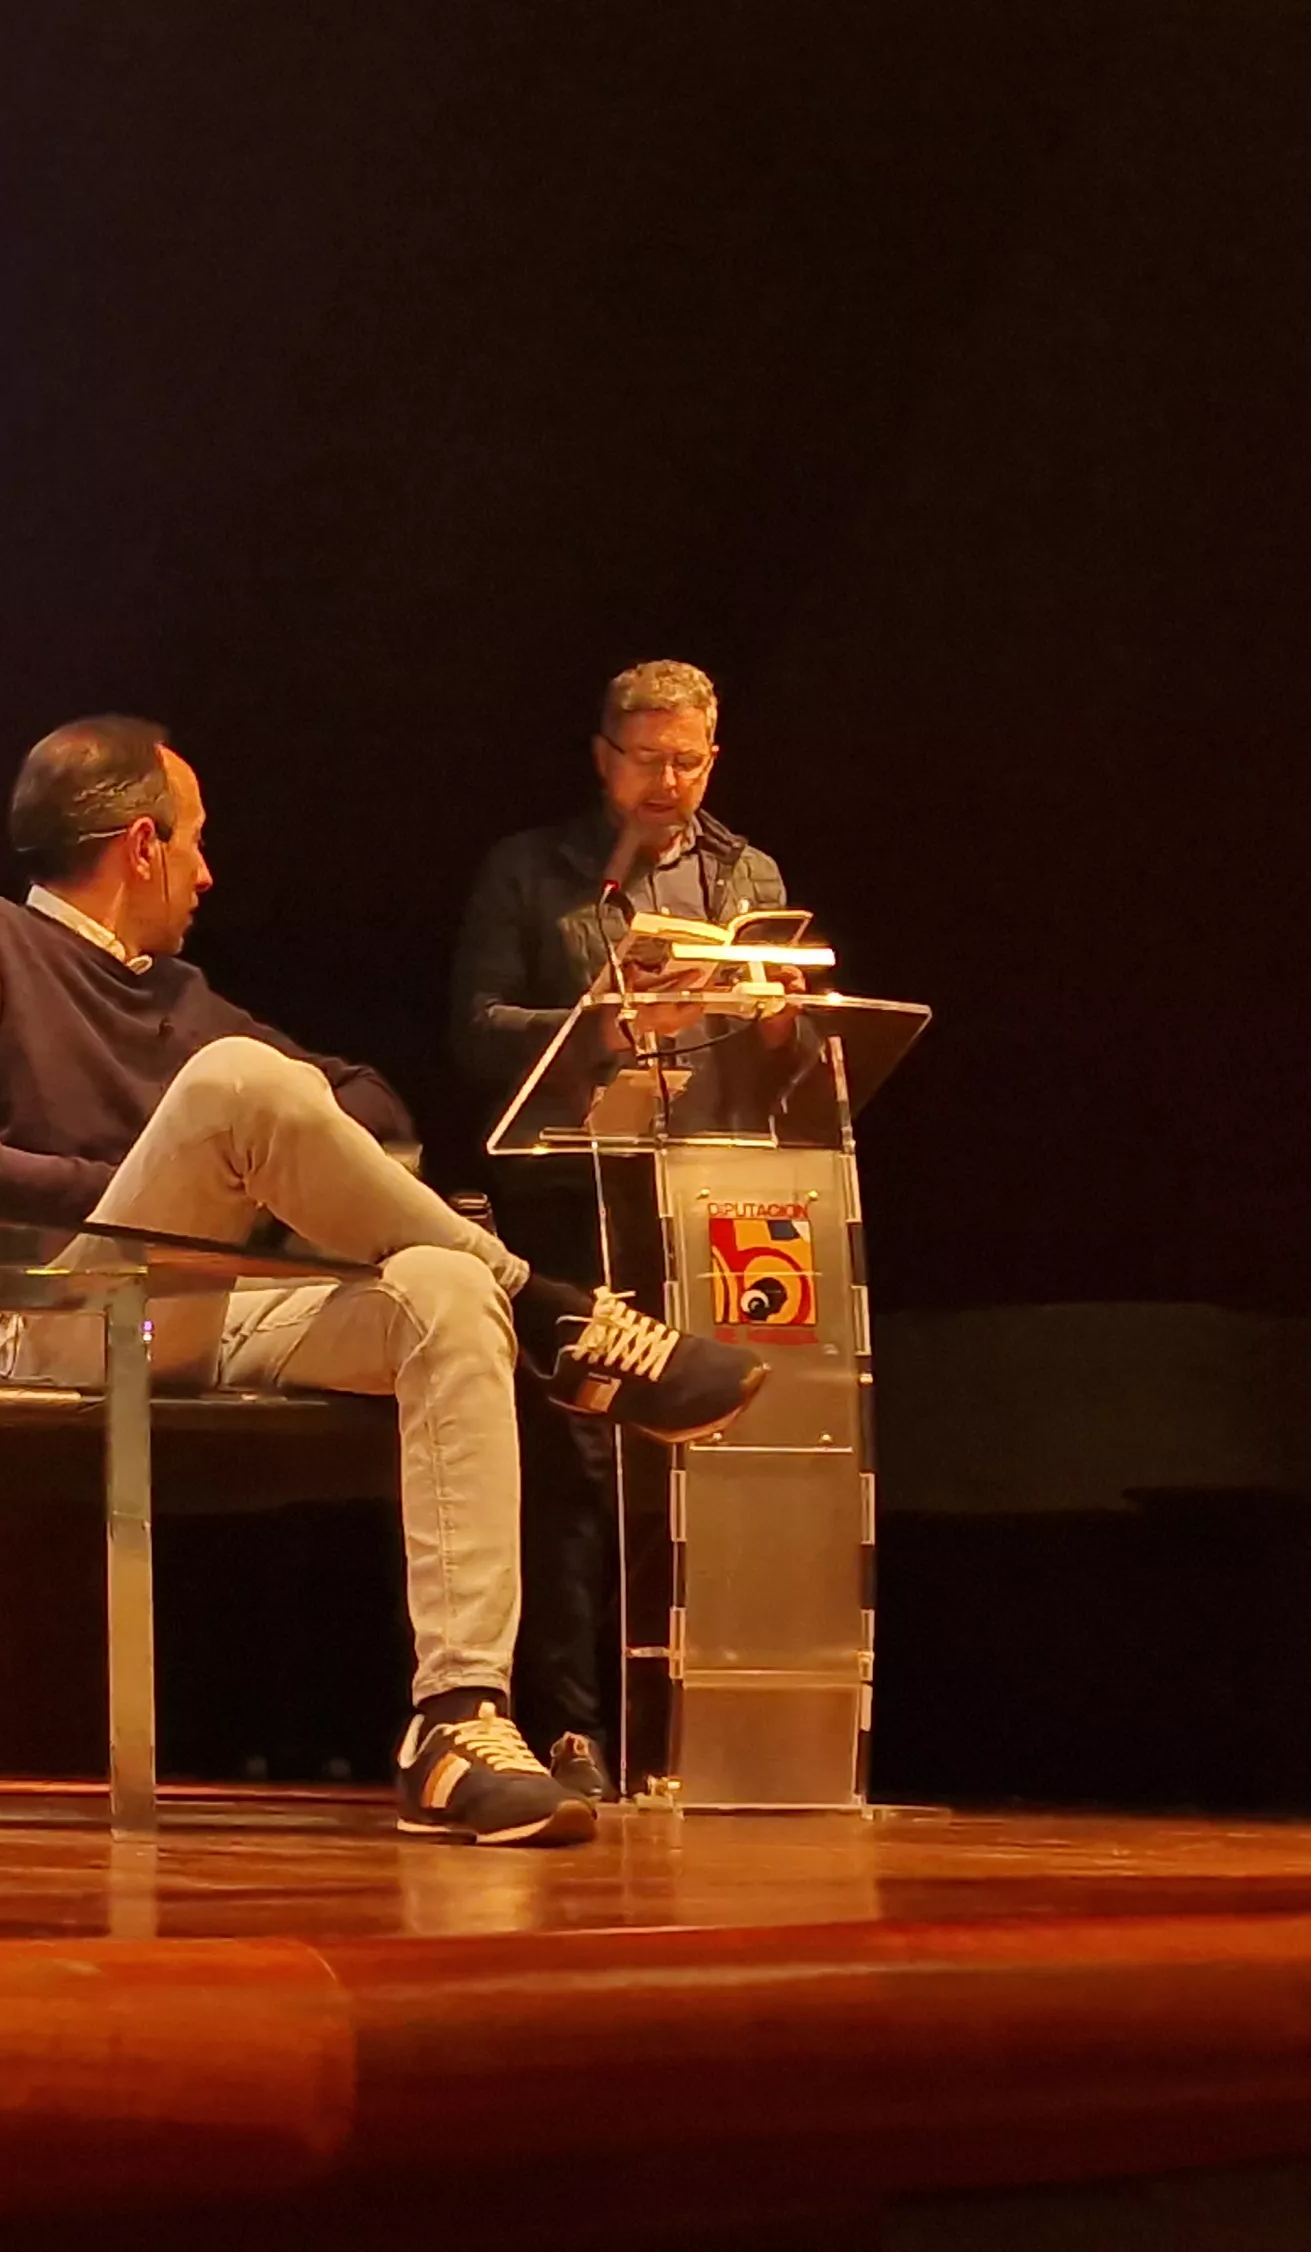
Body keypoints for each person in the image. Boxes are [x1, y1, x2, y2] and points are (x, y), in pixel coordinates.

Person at [0, 714, 771, 1848]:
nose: (207, 872)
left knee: (440, 1284)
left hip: (205, 1311)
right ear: (140, 844)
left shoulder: (179, 994)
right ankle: (554, 1309)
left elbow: (373, 1102)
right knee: (238, 1085)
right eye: (194, 839)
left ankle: (456, 1719)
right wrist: (149, 1174)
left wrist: (254, 1164)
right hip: (57, 1321)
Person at [447, 660, 793, 1802]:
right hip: (570, 1199)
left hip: (712, 1202)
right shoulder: (529, 869)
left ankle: (714, 1726)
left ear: (714, 758)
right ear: (602, 756)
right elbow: (476, 1031)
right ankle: (572, 1727)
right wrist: (604, 1025)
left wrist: (779, 1025)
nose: (667, 781)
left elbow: (782, 1066)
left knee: (715, 1459)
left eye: (687, 761)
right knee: (576, 1472)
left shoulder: (747, 874)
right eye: (646, 759)